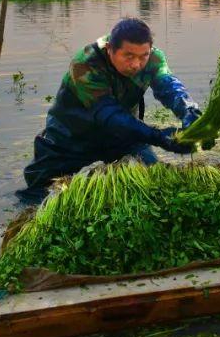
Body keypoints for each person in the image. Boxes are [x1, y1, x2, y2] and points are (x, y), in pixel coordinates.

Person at [20, 17, 204, 202]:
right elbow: (109, 116)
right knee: (40, 197)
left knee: (155, 186)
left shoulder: (154, 59)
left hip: (124, 136)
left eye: (143, 56)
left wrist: (190, 112)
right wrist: (159, 137)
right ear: (110, 49)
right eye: (129, 56)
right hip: (70, 138)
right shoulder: (85, 63)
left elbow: (169, 87)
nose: (136, 64)